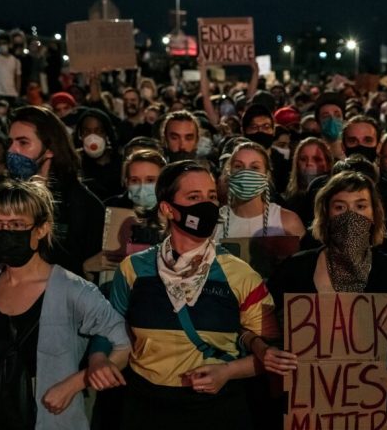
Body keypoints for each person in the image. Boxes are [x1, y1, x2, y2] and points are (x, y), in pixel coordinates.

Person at [91, 160, 279, 428]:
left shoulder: (241, 275)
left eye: (212, 197)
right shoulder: (133, 269)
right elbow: (109, 326)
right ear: (168, 209)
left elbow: (271, 352)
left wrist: (228, 371)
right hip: (146, 408)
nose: (207, 205)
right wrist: (98, 359)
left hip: (217, 410)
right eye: (194, 197)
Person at [266, 171, 387, 428]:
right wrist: (270, 351)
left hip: (377, 410)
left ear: (374, 214)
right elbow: (263, 324)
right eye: (340, 206)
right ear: (326, 214)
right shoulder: (296, 269)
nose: (350, 215)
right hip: (310, 407)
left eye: (360, 206)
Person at [0, 179, 130, 429]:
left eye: (17, 225)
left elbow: (123, 343)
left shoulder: (73, 291)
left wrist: (75, 384)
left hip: (50, 418)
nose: (5, 233)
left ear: (41, 229)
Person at [5, 106, 105, 278]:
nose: (12, 150)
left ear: (50, 149)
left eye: (23, 142)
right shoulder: (3, 196)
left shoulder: (85, 206)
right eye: (10, 142)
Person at [216, 142, 304, 239]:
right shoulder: (216, 222)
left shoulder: (288, 222)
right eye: (238, 166)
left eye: (254, 167)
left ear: (266, 175)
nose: (246, 173)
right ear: (229, 173)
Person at [282, 137, 333, 226]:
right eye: (303, 159)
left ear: (328, 164)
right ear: (296, 164)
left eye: (317, 159)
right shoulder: (286, 201)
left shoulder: (336, 198)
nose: (309, 163)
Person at [76, 108, 123, 201]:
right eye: (87, 131)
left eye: (98, 131)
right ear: (80, 135)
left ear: (107, 134)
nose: (92, 137)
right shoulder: (75, 163)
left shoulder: (121, 162)